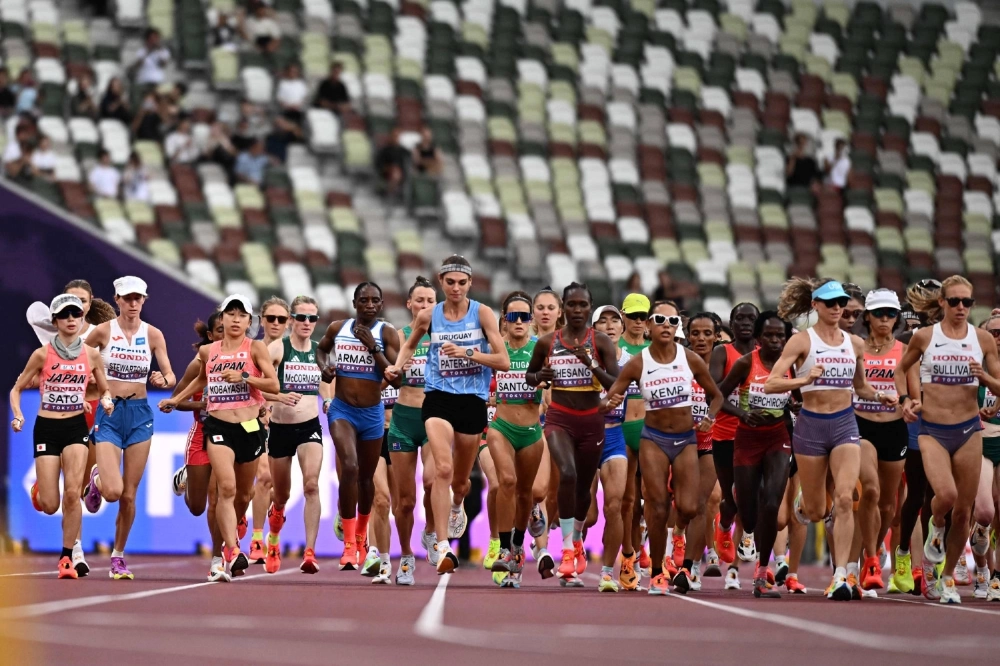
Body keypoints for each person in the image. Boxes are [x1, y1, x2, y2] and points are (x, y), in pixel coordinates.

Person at [766, 278, 896, 601]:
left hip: (844, 424)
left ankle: (841, 575)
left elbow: (860, 386)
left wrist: (880, 396)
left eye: (841, 303)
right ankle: (802, 504)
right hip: (810, 426)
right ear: (816, 306)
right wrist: (803, 378)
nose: (837, 308)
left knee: (844, 499)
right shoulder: (801, 342)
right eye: (830, 303)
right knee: (814, 510)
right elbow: (770, 384)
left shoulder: (854, 344)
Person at [385, 256, 509, 573]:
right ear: (441, 282)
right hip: (437, 398)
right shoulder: (429, 316)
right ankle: (441, 547)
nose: (455, 287)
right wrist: (397, 367)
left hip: (472, 401)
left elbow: (503, 361)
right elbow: (409, 345)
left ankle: (456, 506)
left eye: (461, 282)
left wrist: (467, 352)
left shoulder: (482, 313)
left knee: (461, 482)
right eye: (450, 282)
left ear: (470, 284)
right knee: (441, 468)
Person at [603, 301, 724, 595]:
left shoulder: (690, 359)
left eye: (672, 321)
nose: (666, 325)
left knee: (689, 506)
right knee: (656, 508)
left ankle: (679, 538)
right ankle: (657, 572)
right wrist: (611, 402)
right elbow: (612, 394)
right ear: (649, 327)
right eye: (659, 320)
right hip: (653, 439)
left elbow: (716, 395)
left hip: (685, 441)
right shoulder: (638, 362)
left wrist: (709, 417)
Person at [160, 294, 279, 578]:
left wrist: (246, 379)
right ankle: (229, 552)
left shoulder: (256, 347)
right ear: (222, 318)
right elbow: (202, 378)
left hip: (249, 428)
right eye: (230, 314)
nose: (235, 319)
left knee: (244, 495)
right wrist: (178, 400)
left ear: (249, 321)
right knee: (223, 491)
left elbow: (272, 382)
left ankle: (226, 545)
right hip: (217, 428)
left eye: (241, 315)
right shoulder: (208, 352)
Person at [897, 276, 1000, 604]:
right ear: (941, 302)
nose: (960, 308)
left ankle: (946, 578)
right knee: (946, 496)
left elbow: (998, 384)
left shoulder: (982, 339)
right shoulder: (925, 337)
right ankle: (934, 525)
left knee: (964, 511)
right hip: (933, 430)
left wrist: (984, 377)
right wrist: (905, 401)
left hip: (969, 429)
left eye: (966, 302)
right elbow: (902, 369)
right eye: (954, 301)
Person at [9, 294, 114, 578]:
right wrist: (18, 414)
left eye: (76, 315)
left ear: (82, 321)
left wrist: (105, 400)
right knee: (50, 503)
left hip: (76, 429)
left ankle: (67, 557)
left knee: (72, 494)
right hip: (46, 428)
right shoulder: (42, 355)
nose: (71, 320)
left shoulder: (91, 355)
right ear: (54, 322)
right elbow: (16, 389)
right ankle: (39, 492)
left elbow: (104, 388)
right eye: (65, 315)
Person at [525, 282, 619, 587]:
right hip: (559, 418)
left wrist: (589, 362)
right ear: (564, 308)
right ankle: (566, 549)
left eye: (583, 305)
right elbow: (530, 376)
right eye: (572, 305)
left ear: (590, 308)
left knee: (583, 487)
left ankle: (577, 537)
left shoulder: (601, 342)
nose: (577, 310)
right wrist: (540, 377)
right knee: (566, 473)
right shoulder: (548, 342)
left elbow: (616, 384)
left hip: (592, 421)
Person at [82, 276, 176, 579]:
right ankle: (97, 480)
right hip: (109, 412)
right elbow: (76, 360)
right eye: (127, 298)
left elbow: (170, 375)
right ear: (117, 300)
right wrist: (88, 386)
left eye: (138, 298)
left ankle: (118, 556)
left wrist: (164, 381)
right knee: (113, 492)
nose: (133, 304)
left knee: (130, 495)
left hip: (139, 414)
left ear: (144, 300)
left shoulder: (154, 335)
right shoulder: (102, 331)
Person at [318, 283, 401, 570]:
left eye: (374, 300)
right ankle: (349, 545)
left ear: (380, 305)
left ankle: (363, 535)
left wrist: (373, 347)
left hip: (372, 414)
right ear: (354, 302)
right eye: (363, 299)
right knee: (349, 467)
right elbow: (322, 350)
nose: (369, 304)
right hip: (342, 410)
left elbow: (397, 378)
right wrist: (325, 368)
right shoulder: (338, 328)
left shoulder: (387, 333)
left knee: (366, 480)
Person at [717, 312, 795, 597]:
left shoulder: (792, 364)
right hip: (747, 439)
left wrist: (796, 406)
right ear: (759, 339)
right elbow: (717, 395)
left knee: (773, 503)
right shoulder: (746, 362)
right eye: (770, 336)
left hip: (778, 437)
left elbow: (800, 397)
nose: (776, 340)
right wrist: (742, 414)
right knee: (748, 516)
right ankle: (744, 529)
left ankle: (763, 571)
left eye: (781, 336)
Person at [852, 290, 916, 591]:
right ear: (867, 316)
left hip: (894, 429)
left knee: (889, 505)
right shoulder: (856, 348)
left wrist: (909, 404)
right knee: (871, 491)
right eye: (879, 313)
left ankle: (872, 553)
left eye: (891, 314)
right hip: (861, 424)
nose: (885, 319)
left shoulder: (905, 351)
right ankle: (873, 560)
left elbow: (916, 396)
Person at [263, 296, 330, 574]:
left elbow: (327, 384)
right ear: (291, 320)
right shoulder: (277, 348)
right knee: (281, 495)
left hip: (309, 426)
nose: (306, 323)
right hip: (280, 428)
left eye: (312, 318)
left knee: (311, 485)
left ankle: (310, 552)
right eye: (301, 317)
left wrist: (327, 401)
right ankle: (274, 538)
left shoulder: (319, 351)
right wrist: (277, 396)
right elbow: (257, 387)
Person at [487, 292, 545, 589]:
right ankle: (504, 547)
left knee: (527, 494)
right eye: (513, 316)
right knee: (506, 481)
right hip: (501, 427)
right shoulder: (496, 350)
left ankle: (519, 547)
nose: (519, 321)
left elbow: (554, 387)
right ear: (504, 320)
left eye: (524, 316)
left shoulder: (541, 349)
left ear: (531, 321)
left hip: (532, 431)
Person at [169, 313, 229, 581]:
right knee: (197, 507)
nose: (225, 335)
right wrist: (203, 405)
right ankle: (186, 476)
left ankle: (217, 559)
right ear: (210, 335)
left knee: (218, 497)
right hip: (201, 434)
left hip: (227, 434)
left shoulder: (242, 361)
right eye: (219, 330)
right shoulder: (198, 364)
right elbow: (176, 402)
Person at [387, 277, 438, 584]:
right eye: (419, 301)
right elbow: (386, 376)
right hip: (403, 419)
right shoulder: (399, 337)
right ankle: (406, 555)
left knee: (433, 481)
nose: (424, 306)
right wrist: (394, 372)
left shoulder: (447, 337)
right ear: (409, 305)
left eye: (430, 301)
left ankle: (431, 530)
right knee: (405, 500)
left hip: (435, 418)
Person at [711, 302, 760, 591]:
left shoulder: (767, 354)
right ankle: (724, 524)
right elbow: (715, 394)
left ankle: (748, 535)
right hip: (726, 436)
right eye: (739, 318)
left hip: (758, 436)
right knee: (732, 498)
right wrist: (742, 413)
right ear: (731, 322)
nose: (744, 322)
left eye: (750, 318)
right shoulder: (722, 352)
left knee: (751, 493)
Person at [587, 304, 630, 592]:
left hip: (616, 438)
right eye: (603, 321)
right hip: (586, 437)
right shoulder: (582, 358)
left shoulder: (633, 362)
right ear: (593, 329)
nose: (611, 325)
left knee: (614, 506)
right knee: (588, 514)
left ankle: (606, 571)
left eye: (616, 320)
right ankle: (574, 545)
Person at [681, 312, 723, 591]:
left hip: (709, 444)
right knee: (670, 507)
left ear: (717, 337)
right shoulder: (677, 363)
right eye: (695, 333)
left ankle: (689, 567)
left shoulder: (725, 368)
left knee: (699, 505)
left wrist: (713, 414)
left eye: (707, 333)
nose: (701, 339)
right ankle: (661, 560)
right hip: (676, 443)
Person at [248, 297, 289, 563]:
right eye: (271, 318)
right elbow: (248, 386)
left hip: (286, 425)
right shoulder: (251, 349)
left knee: (279, 489)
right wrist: (270, 400)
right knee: (263, 477)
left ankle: (274, 533)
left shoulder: (294, 349)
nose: (275, 323)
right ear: (262, 320)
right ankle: (256, 539)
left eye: (281, 319)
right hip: (254, 420)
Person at [527, 286, 562, 578]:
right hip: (528, 423)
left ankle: (545, 549)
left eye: (551, 307)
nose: (546, 312)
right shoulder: (522, 342)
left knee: (549, 492)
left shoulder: (567, 344)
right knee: (535, 490)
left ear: (559, 312)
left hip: (561, 423)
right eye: (540, 307)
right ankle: (537, 549)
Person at [618, 293, 651, 584]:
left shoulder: (658, 349)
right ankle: (628, 558)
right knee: (628, 499)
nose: (638, 322)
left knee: (653, 498)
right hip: (622, 427)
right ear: (623, 316)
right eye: (633, 316)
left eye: (643, 316)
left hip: (652, 429)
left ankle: (650, 555)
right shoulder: (614, 347)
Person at [376, 128, 409, 198]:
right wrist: (389, 168)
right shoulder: (385, 150)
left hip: (402, 173)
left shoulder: (405, 151)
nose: (396, 138)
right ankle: (391, 192)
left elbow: (410, 163)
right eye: (394, 136)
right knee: (395, 172)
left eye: (397, 136)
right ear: (391, 137)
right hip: (387, 172)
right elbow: (379, 163)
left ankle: (393, 192)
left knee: (397, 172)